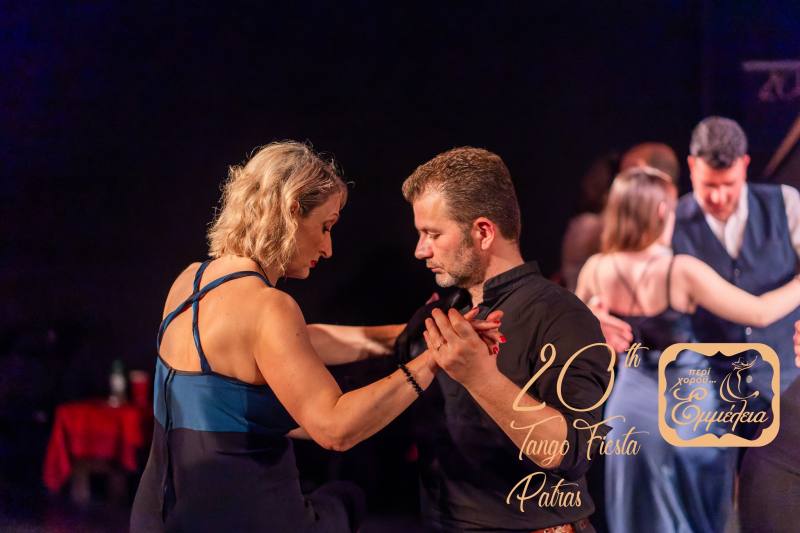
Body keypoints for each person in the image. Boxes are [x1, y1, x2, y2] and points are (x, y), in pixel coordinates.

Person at [129, 141, 502, 532]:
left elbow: (298, 341)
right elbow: (335, 429)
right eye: (326, 227)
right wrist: (434, 357)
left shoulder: (190, 282)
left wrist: (405, 335)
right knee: (350, 498)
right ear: (291, 212)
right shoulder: (269, 306)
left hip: (156, 518)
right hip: (244, 520)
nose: (328, 248)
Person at [322, 148, 613, 532]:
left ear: (483, 232)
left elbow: (570, 451)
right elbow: (345, 347)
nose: (420, 250)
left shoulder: (561, 315)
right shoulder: (442, 311)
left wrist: (481, 377)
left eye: (433, 234)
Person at [575, 166, 800, 533]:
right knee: (694, 509)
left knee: (638, 509)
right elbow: (759, 313)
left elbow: (567, 332)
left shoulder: (595, 269)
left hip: (627, 407)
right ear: (662, 211)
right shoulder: (680, 271)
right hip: (683, 402)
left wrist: (590, 320)